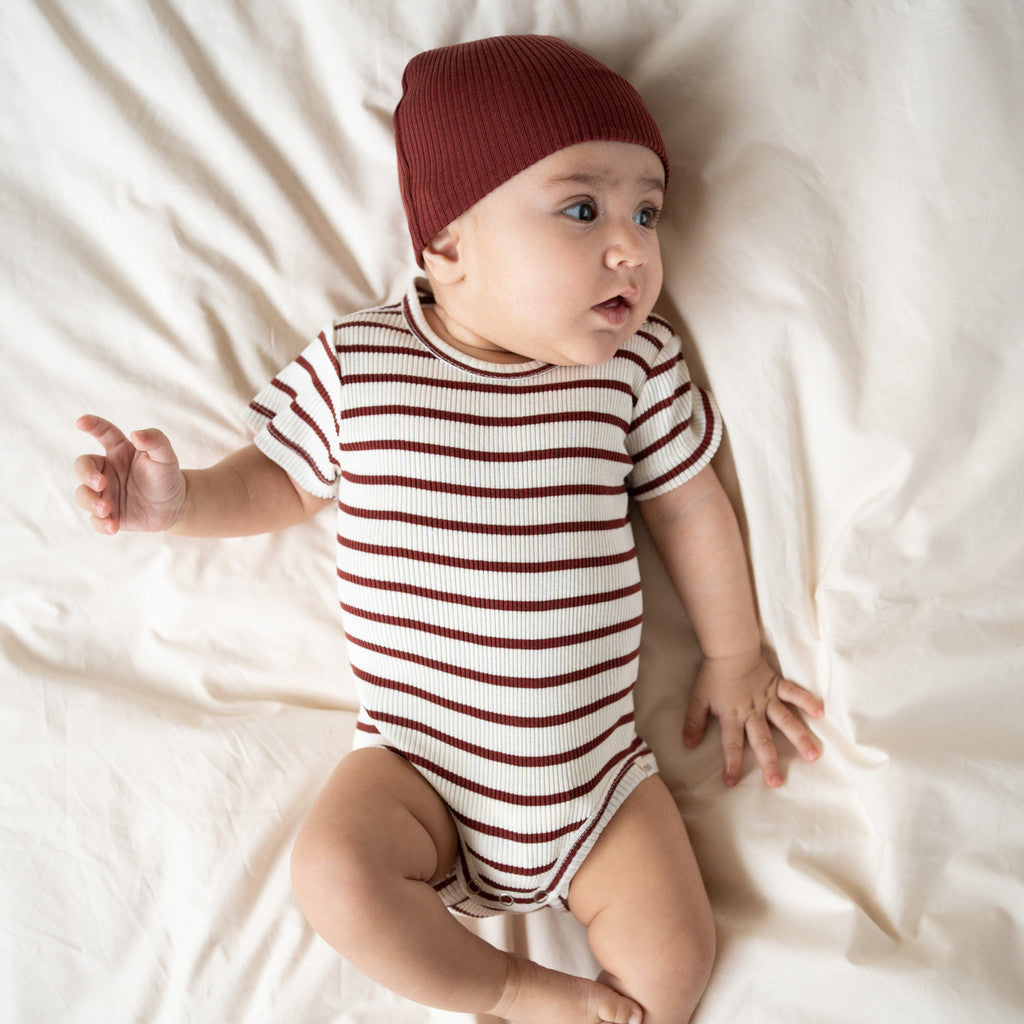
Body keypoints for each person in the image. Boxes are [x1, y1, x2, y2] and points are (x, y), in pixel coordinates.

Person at [74, 35, 824, 1024]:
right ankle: (510, 991)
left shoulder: (634, 365)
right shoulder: (363, 362)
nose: (632, 250)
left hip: (598, 782)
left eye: (648, 212)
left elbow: (688, 505)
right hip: (417, 769)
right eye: (583, 209)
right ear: (449, 245)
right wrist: (180, 503)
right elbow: (279, 481)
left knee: (676, 956)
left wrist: (734, 654)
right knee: (334, 875)